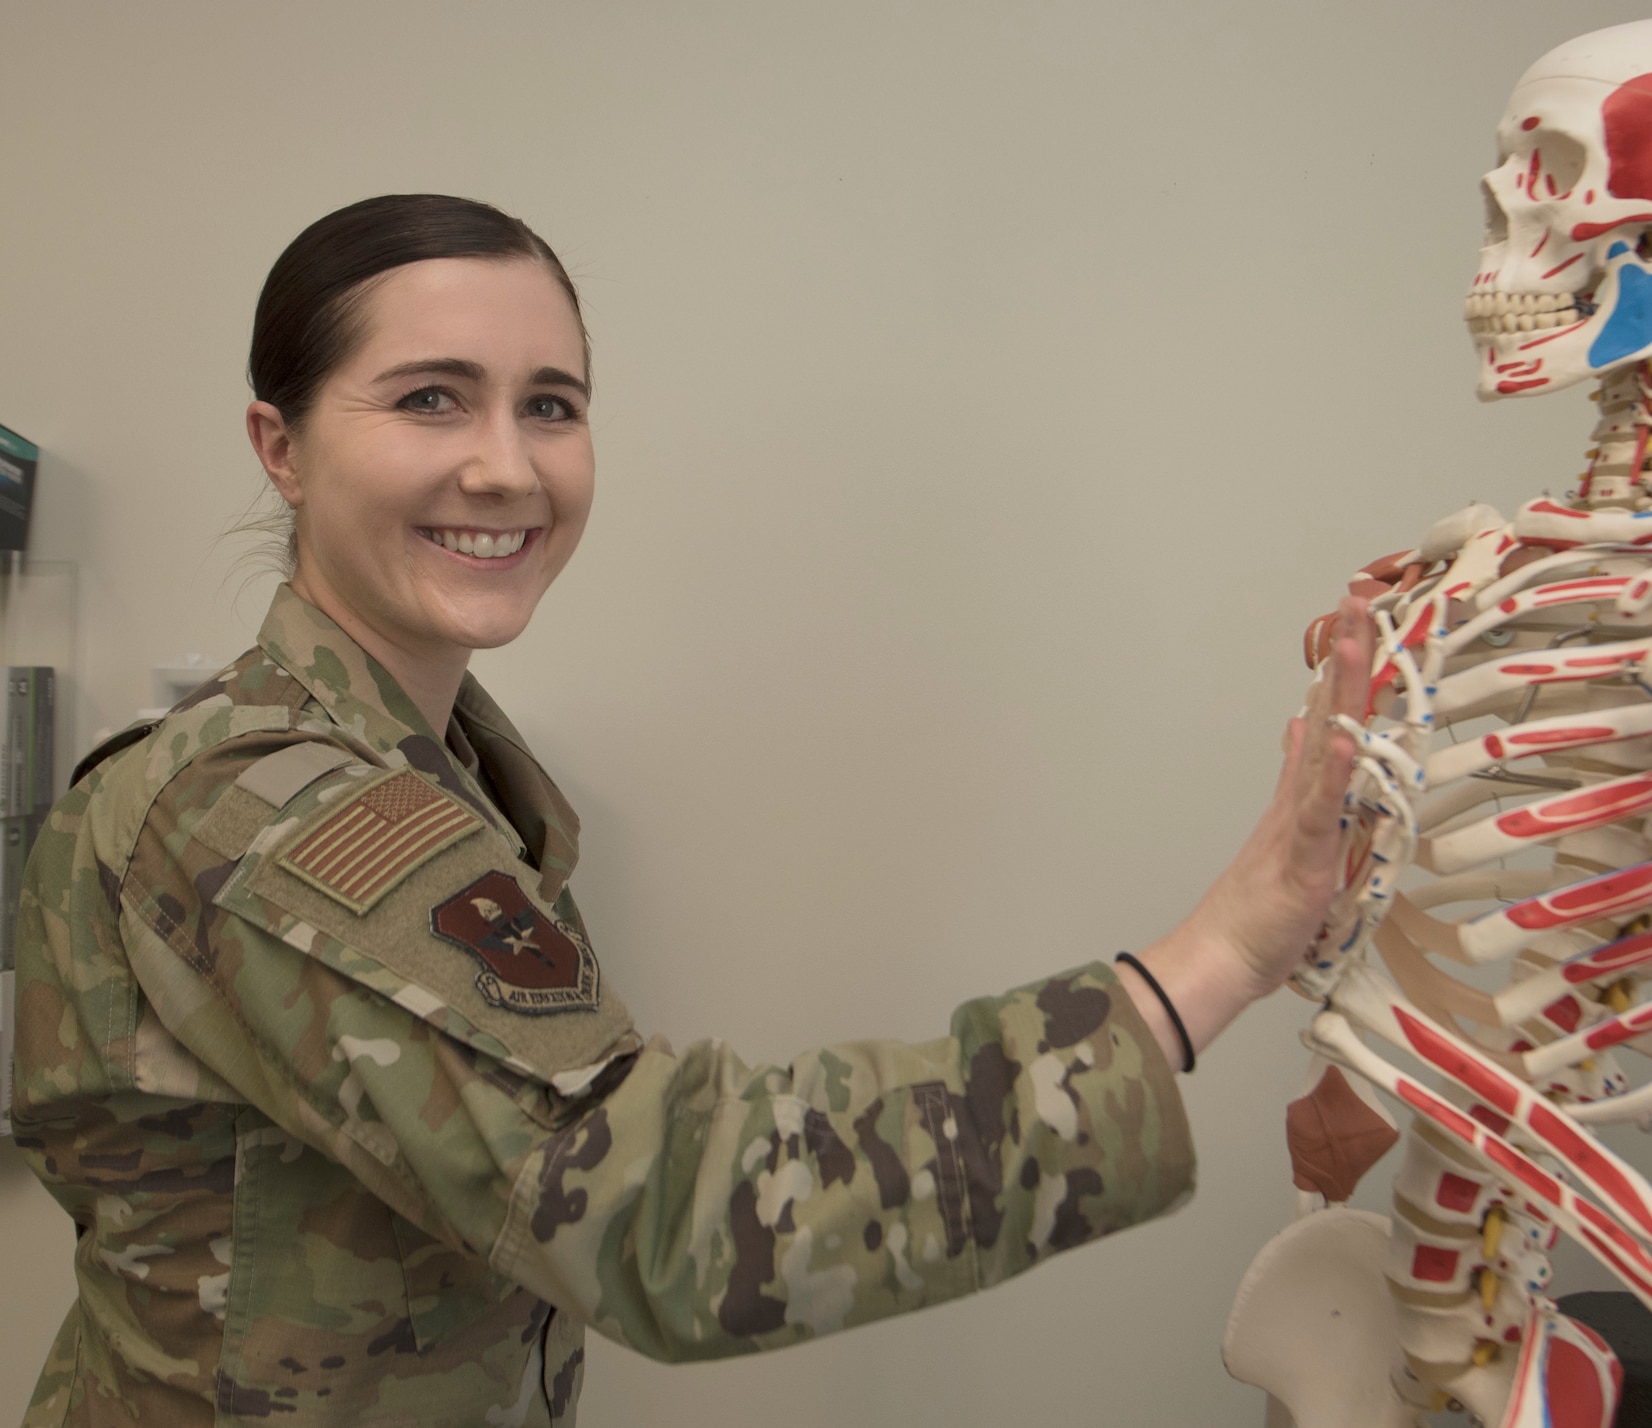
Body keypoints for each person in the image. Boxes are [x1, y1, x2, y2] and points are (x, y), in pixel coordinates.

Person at [9, 194, 1372, 1428]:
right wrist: (1221, 956)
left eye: (552, 404)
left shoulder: (437, 782)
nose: (508, 467)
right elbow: (675, 1217)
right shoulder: (263, 813)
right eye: (431, 399)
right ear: (282, 447)